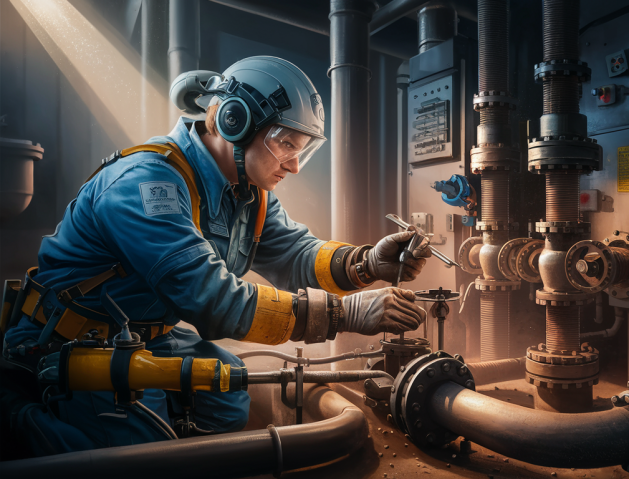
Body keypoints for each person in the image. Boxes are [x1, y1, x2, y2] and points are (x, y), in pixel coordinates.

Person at [0, 56, 430, 454]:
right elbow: (213, 300)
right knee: (137, 457)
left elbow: (295, 254)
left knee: (226, 399)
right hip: (71, 338)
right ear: (233, 120)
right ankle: (16, 416)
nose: (295, 165)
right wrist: (344, 314)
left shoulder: (250, 194)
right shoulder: (146, 184)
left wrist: (368, 262)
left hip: (147, 332)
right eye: (286, 145)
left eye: (303, 150)